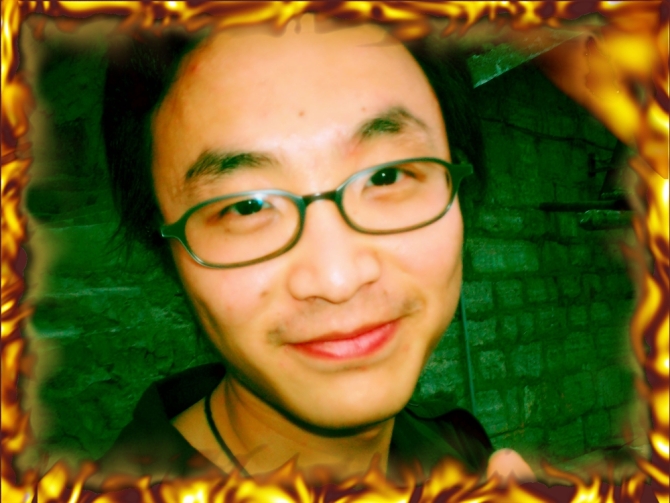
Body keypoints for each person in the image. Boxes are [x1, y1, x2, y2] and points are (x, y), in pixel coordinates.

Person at [94, 16, 534, 488]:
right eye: (247, 206)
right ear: (165, 248)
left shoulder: (464, 453)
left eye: (385, 176)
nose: (338, 279)